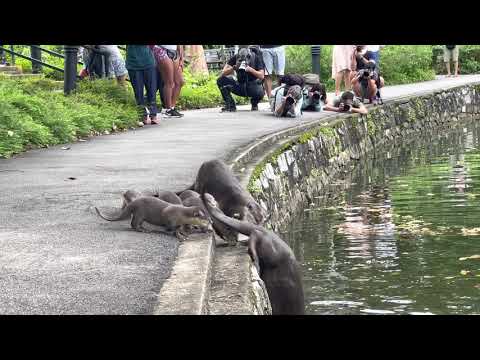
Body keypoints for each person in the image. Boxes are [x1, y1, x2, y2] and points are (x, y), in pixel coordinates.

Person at [216, 46, 265, 112]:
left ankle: (254, 103)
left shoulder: (256, 57)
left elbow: (262, 76)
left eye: (246, 58)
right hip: (240, 85)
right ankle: (231, 105)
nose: (243, 60)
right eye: (241, 58)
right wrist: (234, 68)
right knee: (220, 80)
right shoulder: (235, 57)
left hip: (253, 87)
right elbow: (222, 73)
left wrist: (251, 70)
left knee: (260, 92)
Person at [125, 45, 159, 125]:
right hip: (133, 64)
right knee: (138, 92)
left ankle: (153, 114)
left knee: (151, 90)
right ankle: (142, 116)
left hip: (148, 62)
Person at [150, 45, 185, 118]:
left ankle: (171, 108)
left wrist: (181, 58)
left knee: (180, 81)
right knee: (169, 82)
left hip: (175, 52)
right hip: (162, 50)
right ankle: (168, 109)